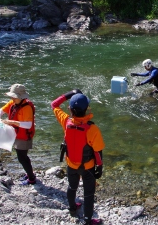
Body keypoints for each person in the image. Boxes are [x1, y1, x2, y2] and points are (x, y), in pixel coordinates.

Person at [51, 89, 105, 225]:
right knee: (88, 194)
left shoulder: (65, 121)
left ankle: (72, 208)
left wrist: (69, 94)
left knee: (72, 187)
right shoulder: (92, 129)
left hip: (71, 165)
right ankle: (87, 221)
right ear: (87, 109)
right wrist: (100, 167)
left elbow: (54, 105)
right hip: (88, 168)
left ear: (70, 109)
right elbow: (98, 152)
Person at [0, 84, 36, 185]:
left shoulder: (27, 108)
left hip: (24, 136)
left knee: (22, 158)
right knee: (23, 157)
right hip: (16, 134)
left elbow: (28, 125)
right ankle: (30, 174)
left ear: (21, 97)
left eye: (14, 97)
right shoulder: (13, 103)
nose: (12, 98)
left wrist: (11, 122)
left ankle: (31, 178)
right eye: (12, 97)